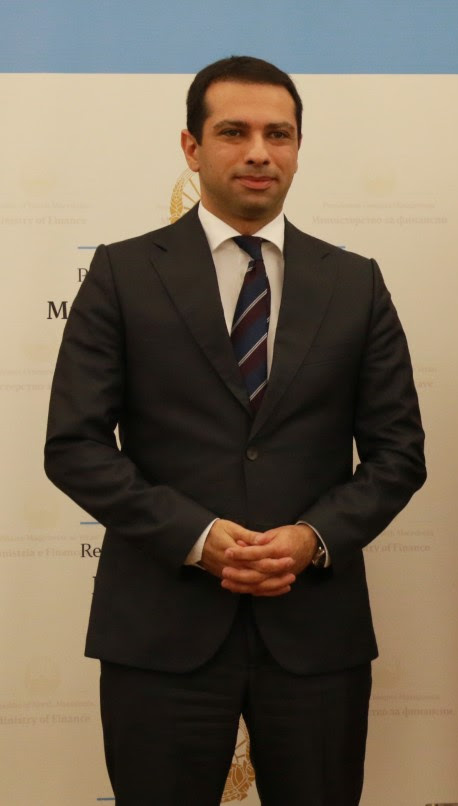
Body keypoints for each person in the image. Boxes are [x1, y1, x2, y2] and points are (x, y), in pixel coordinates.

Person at [44, 55, 426, 804]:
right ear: (192, 148)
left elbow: (398, 454)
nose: (259, 152)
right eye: (234, 132)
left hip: (315, 634)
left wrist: (313, 538)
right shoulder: (122, 274)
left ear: (298, 147)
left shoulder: (355, 283)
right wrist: (196, 536)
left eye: (278, 134)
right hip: (160, 631)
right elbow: (74, 446)